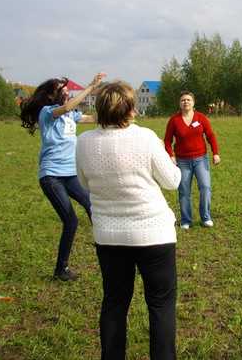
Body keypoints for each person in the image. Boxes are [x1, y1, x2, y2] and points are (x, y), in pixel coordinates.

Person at [76, 81, 181, 360]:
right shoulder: (145, 138)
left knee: (114, 303)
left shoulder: (84, 142)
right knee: (160, 305)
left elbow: (84, 182)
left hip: (109, 236)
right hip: (154, 235)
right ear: (131, 110)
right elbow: (173, 181)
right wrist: (167, 153)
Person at [20, 72, 105, 281]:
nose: (66, 92)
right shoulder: (47, 112)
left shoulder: (71, 114)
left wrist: (118, 110)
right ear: (51, 96)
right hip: (52, 176)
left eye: (67, 89)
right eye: (62, 89)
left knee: (92, 206)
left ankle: (108, 249)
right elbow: (66, 107)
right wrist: (91, 87)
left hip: (70, 174)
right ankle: (61, 269)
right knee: (71, 221)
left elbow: (91, 118)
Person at [163, 91, 220, 229]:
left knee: (205, 187)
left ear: (193, 103)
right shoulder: (174, 120)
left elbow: (210, 135)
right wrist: (171, 155)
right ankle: (186, 220)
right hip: (182, 161)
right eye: (183, 100)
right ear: (180, 103)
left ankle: (206, 218)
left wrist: (215, 153)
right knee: (184, 191)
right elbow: (167, 140)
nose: (186, 102)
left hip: (201, 159)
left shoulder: (201, 118)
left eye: (188, 100)